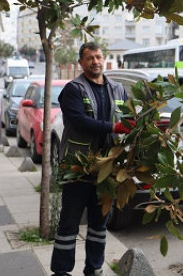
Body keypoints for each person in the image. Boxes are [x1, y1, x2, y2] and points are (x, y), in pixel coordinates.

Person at [51, 42, 132, 276]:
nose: (95, 61)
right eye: (89, 58)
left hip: (106, 169)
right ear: (81, 62)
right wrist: (114, 127)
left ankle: (94, 268)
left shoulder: (118, 89)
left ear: (103, 58)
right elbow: (79, 122)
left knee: (99, 225)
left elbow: (128, 118)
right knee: (68, 223)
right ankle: (61, 271)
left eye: (98, 57)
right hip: (78, 168)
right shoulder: (73, 89)